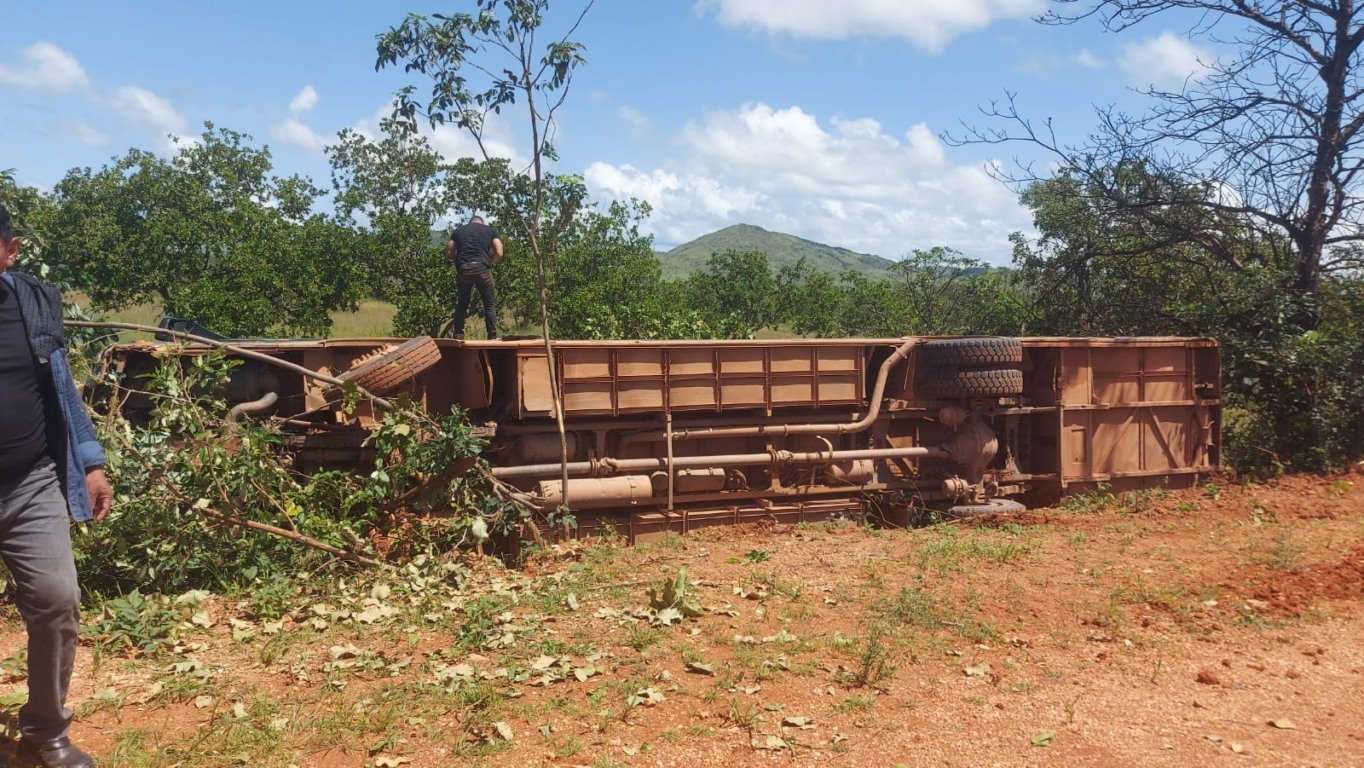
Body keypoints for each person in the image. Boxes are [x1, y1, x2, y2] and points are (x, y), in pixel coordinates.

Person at [0, 203, 111, 768]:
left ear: (9, 251)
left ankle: (45, 733)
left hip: (30, 481)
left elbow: (64, 389)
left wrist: (90, 461)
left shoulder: (32, 304)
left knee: (56, 599)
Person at [446, 214, 504, 340]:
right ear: (481, 223)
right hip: (482, 269)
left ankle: (458, 334)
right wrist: (490, 262)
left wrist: (459, 262)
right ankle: (492, 336)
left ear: (470, 222)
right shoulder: (490, 230)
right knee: (489, 304)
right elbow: (499, 252)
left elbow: (449, 252)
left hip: (463, 269)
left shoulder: (458, 231)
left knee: (462, 303)